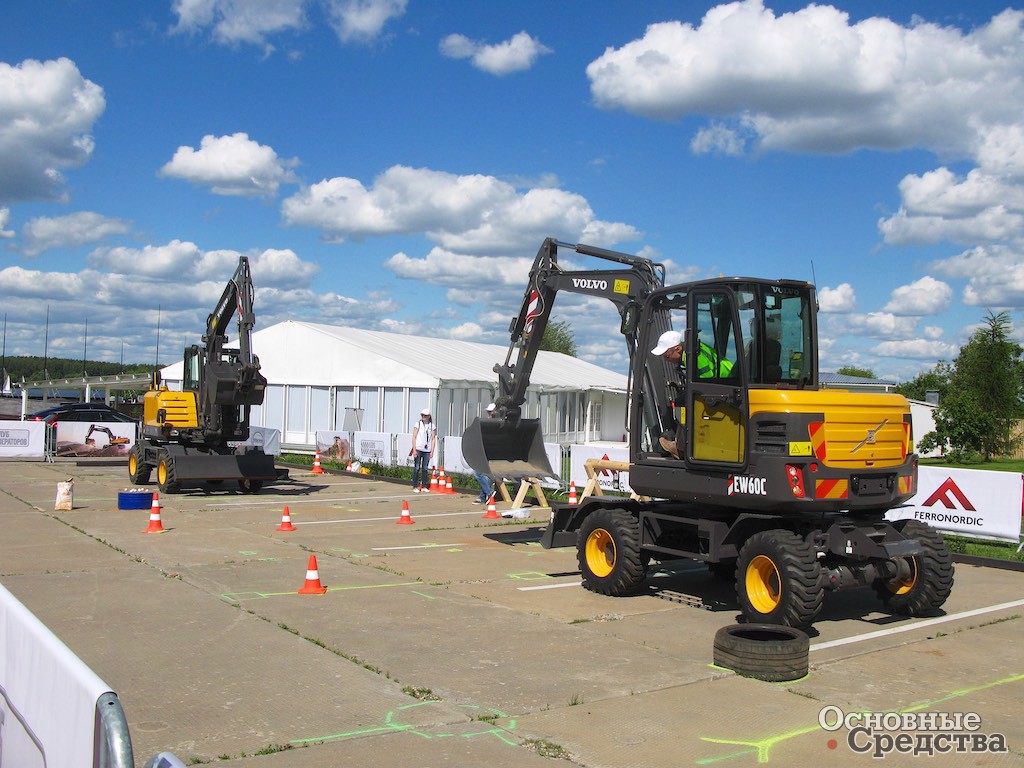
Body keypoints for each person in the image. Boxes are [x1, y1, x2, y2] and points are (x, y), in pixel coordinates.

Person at [473, 403, 497, 503]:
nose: (488, 415)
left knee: (478, 472)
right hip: (488, 451)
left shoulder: (493, 424)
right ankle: (483, 496)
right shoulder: (491, 423)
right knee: (487, 475)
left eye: (490, 413)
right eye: (488, 412)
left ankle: (489, 493)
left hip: (489, 452)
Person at [409, 408, 435, 492]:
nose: (423, 417)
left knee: (425, 468)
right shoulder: (418, 424)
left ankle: (424, 486)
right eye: (422, 415)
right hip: (418, 448)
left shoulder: (432, 426)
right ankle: (415, 486)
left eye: (425, 415)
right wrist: (414, 449)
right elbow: (414, 436)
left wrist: (432, 451)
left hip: (427, 449)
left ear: (429, 416)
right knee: (417, 467)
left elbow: (433, 438)